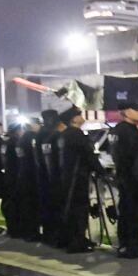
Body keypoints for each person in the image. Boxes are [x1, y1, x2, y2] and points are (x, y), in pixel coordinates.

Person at [109, 101, 138, 258]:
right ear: (126, 112)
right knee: (135, 214)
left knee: (125, 212)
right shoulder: (130, 131)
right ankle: (134, 247)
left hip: (123, 177)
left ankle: (125, 245)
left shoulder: (117, 130)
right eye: (137, 109)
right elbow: (135, 157)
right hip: (134, 179)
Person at [57, 108, 98, 253]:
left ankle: (72, 239)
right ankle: (77, 241)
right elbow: (88, 154)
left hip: (67, 177)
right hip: (77, 177)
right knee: (79, 210)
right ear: (73, 120)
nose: (82, 117)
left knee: (70, 208)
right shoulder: (76, 134)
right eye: (79, 115)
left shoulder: (64, 135)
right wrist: (100, 171)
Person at [35, 109, 65, 246]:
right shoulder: (54, 135)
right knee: (56, 208)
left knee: (47, 206)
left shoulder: (40, 134)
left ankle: (49, 235)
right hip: (55, 177)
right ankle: (57, 237)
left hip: (43, 175)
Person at [11, 119, 40, 241]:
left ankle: (27, 231)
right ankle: (32, 233)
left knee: (26, 205)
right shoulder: (32, 138)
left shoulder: (21, 140)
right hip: (32, 176)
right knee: (33, 206)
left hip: (23, 175)